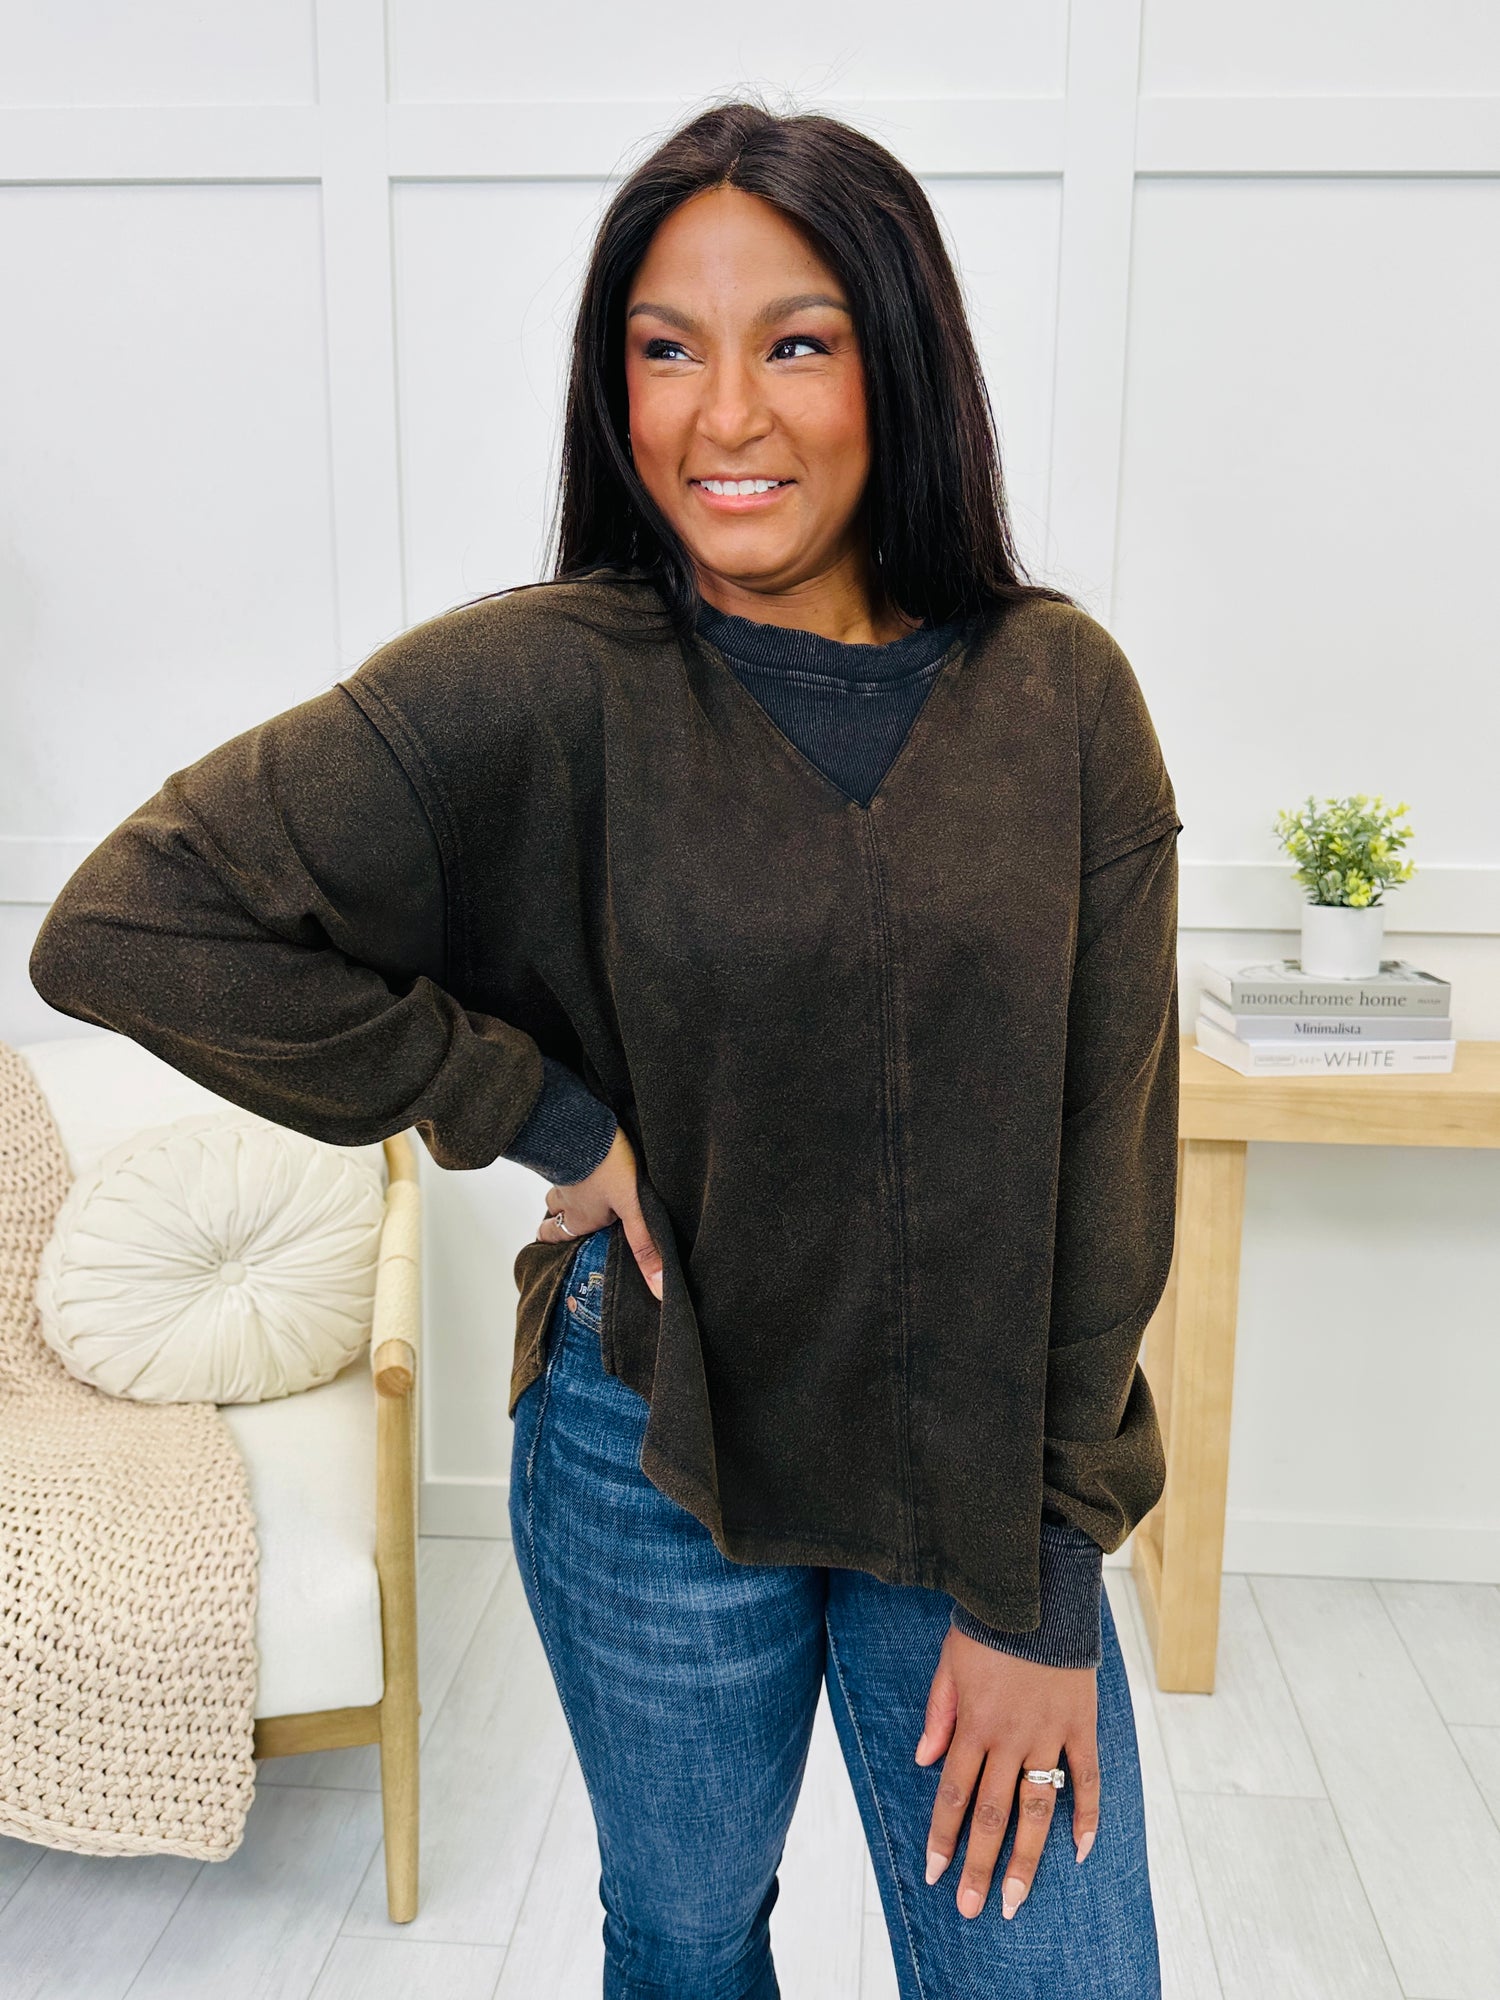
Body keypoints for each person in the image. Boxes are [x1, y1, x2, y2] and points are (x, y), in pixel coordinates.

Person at [30, 98, 1180, 2000]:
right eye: (666, 349)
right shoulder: (546, 680)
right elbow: (130, 924)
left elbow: (1105, 1170)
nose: (725, 415)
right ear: (613, 381)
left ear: (899, 362)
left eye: (795, 343)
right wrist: (535, 1109)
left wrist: (1049, 1583)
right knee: (684, 1939)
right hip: (651, 1444)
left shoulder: (1059, 698)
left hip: (971, 1478)